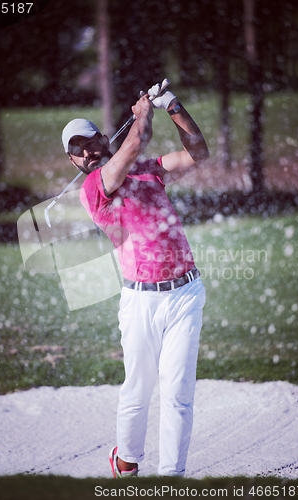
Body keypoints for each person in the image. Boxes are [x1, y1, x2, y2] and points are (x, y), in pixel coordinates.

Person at [61, 82, 209, 477]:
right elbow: (137, 139)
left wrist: (173, 107)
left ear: (103, 138)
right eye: (77, 150)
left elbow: (199, 153)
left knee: (178, 395)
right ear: (72, 161)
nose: (88, 152)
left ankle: (171, 479)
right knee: (138, 391)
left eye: (91, 142)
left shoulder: (147, 171)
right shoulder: (94, 188)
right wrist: (143, 110)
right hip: (141, 301)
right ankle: (126, 462)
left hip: (185, 294)